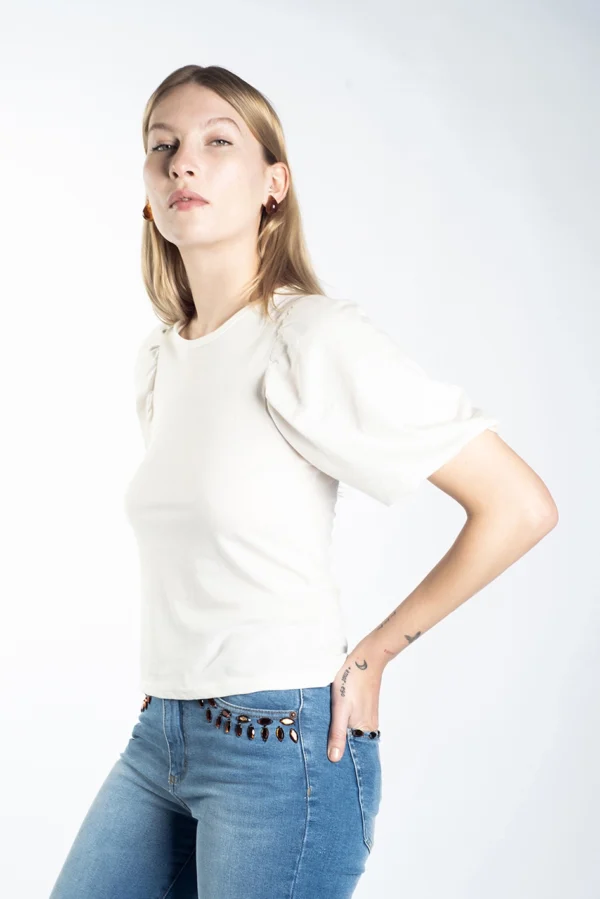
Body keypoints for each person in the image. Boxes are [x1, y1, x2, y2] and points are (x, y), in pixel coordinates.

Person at [49, 64, 558, 899]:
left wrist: (374, 657)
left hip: (282, 748)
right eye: (163, 147)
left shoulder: (308, 339)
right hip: (162, 736)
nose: (184, 162)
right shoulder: (161, 360)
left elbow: (519, 505)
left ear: (273, 185)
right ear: (147, 193)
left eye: (218, 142)